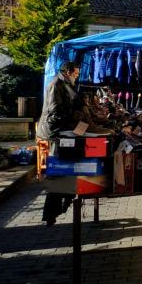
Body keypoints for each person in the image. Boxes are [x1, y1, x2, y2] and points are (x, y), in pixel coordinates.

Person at [37, 60, 82, 225]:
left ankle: (62, 204)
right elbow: (55, 111)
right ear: (68, 72)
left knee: (66, 169)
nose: (77, 76)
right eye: (75, 73)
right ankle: (51, 214)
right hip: (55, 131)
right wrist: (71, 121)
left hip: (62, 130)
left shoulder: (65, 84)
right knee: (58, 170)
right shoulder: (56, 85)